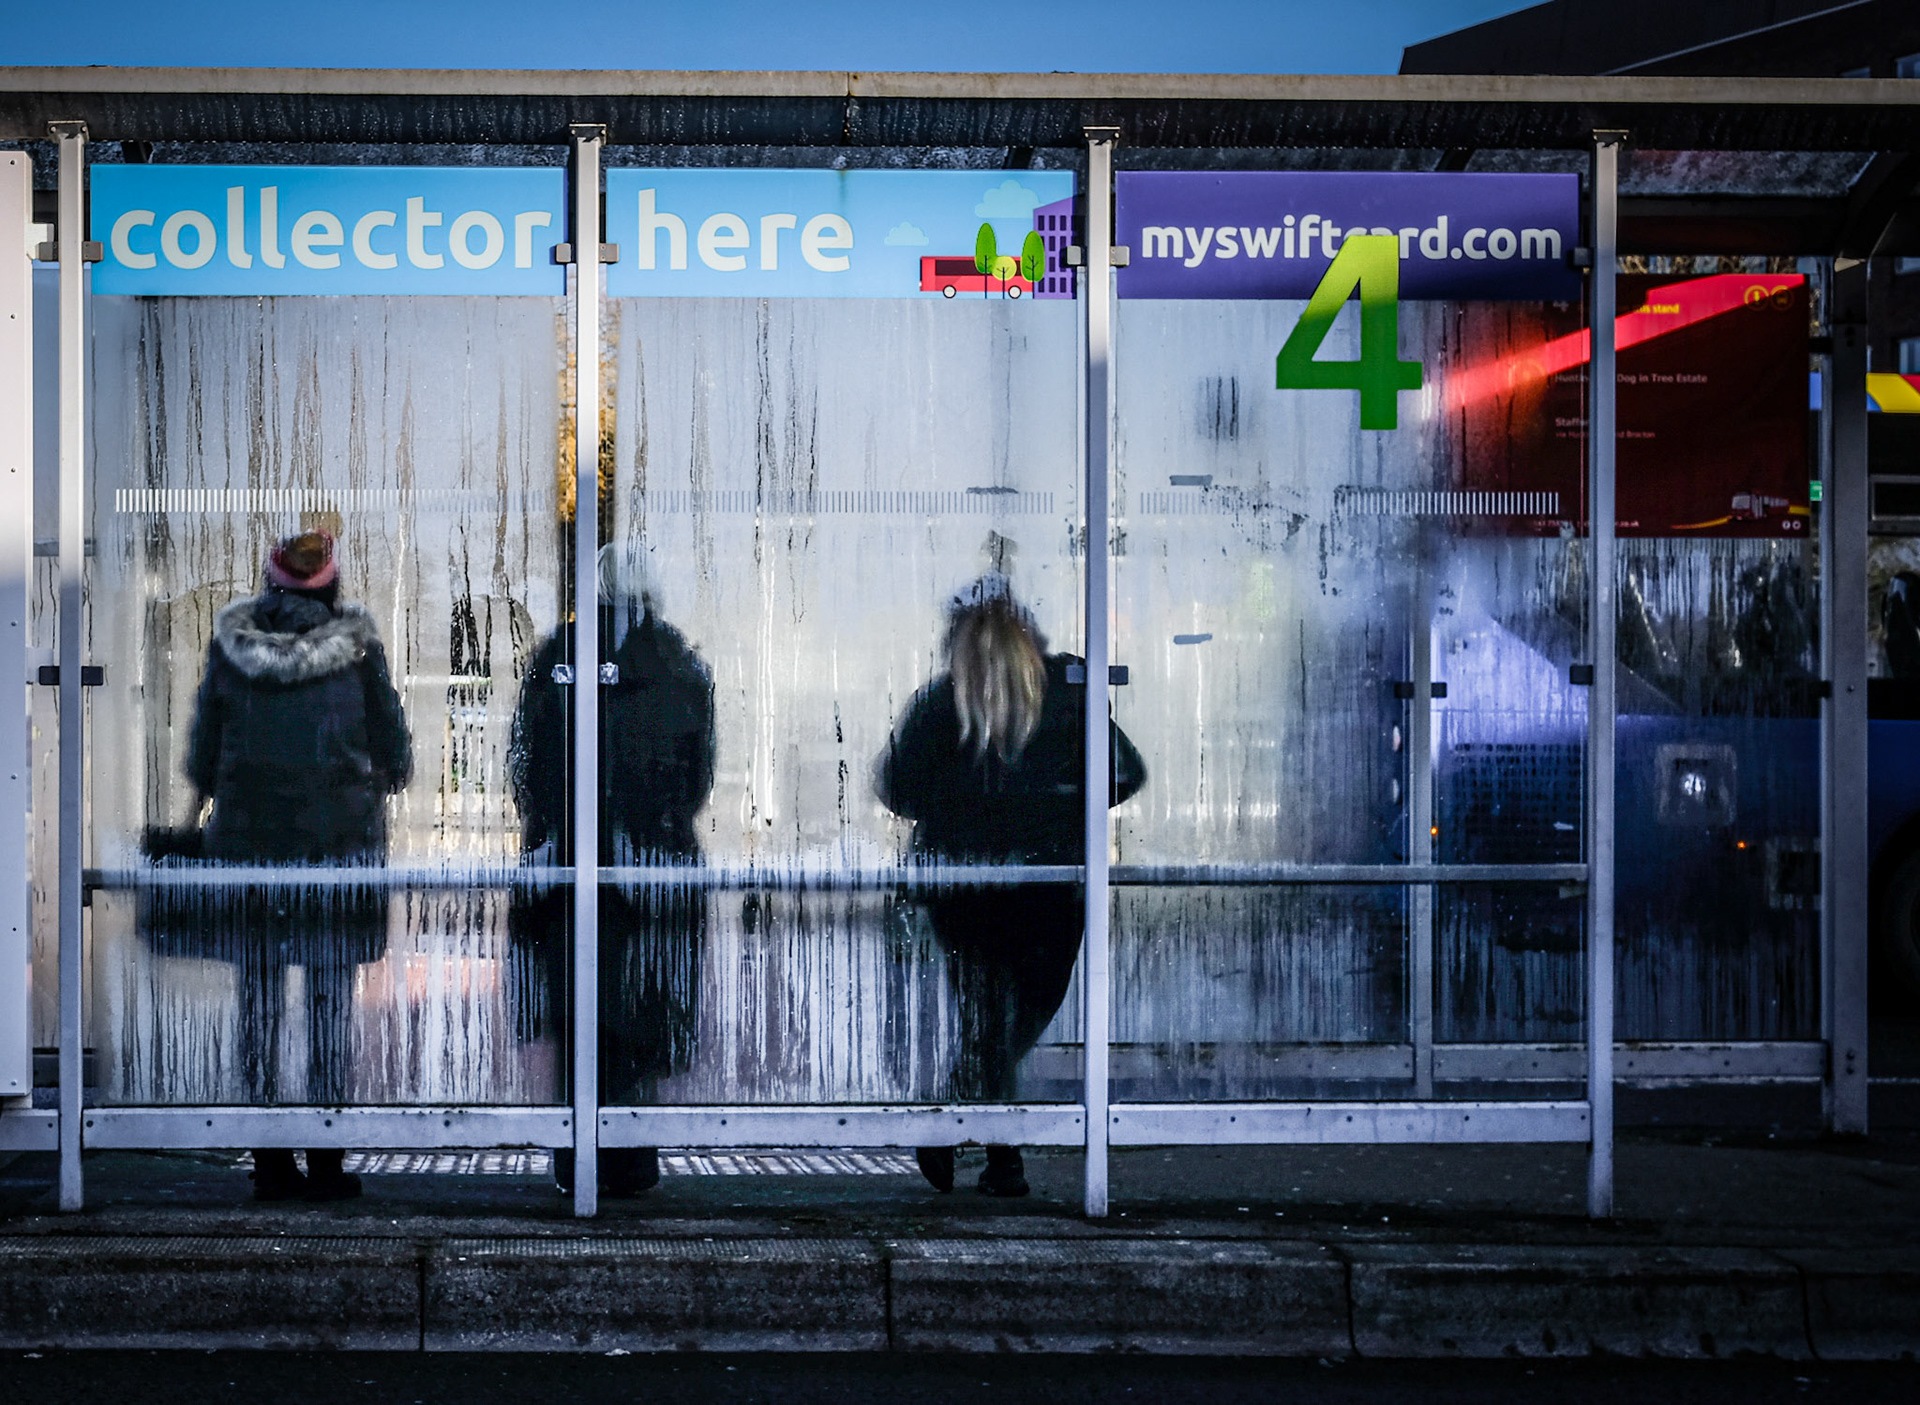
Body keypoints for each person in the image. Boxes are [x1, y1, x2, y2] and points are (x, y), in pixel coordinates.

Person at [876, 574, 1145, 1197]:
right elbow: (1124, 772)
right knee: (1007, 1023)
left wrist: (960, 807)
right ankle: (995, 1156)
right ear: (1027, 633)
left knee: (984, 1019)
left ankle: (973, 1138)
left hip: (963, 893)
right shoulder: (1064, 698)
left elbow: (895, 787)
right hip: (1049, 892)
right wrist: (1059, 807)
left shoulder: (942, 703)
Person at [179, 530, 411, 1202]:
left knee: (258, 1007)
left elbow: (201, 755)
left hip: (250, 854)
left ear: (270, 584)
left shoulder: (233, 649)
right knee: (327, 1011)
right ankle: (328, 1161)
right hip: (336, 855)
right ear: (330, 585)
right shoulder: (359, 651)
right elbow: (396, 755)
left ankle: (270, 1160)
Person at [509, 542, 715, 1197]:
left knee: (579, 1012)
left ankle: (580, 1158)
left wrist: (555, 828)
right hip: (655, 862)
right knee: (644, 1007)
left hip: (571, 862)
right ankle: (632, 1154)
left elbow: (527, 762)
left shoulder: (556, 658)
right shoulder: (680, 665)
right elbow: (697, 774)